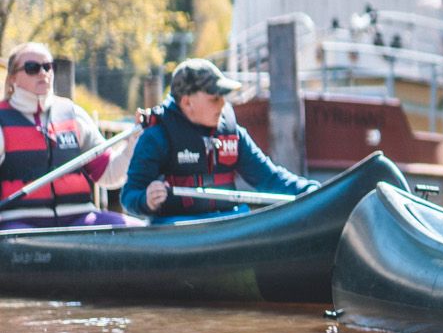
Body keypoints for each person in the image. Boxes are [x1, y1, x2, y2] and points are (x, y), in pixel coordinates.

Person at [121, 58, 319, 222]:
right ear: (187, 102)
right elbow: (129, 195)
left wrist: (313, 192)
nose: (223, 104)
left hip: (225, 224)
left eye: (223, 97)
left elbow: (269, 178)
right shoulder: (157, 137)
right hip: (178, 229)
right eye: (214, 98)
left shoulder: (232, 134)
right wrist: (145, 200)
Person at [0, 42, 137, 229]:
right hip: (18, 224)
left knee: (137, 229)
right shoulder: (2, 119)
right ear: (13, 78)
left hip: (79, 218)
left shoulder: (73, 113)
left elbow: (109, 174)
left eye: (48, 66)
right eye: (32, 68)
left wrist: (133, 144)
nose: (43, 73)